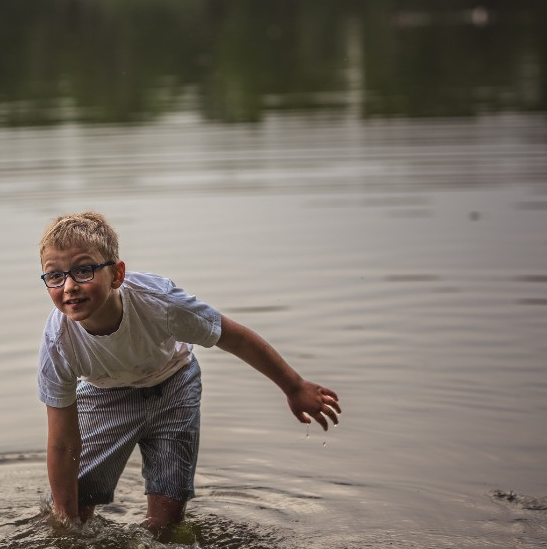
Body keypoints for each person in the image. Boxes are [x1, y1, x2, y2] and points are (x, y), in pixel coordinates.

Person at [37, 211, 341, 539]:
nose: (69, 286)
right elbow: (62, 443)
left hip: (174, 387)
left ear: (117, 274)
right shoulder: (59, 343)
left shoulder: (160, 303)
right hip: (104, 396)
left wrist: (293, 386)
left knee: (168, 521)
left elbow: (234, 337)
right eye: (55, 276)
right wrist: (65, 529)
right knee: (74, 510)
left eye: (84, 270)